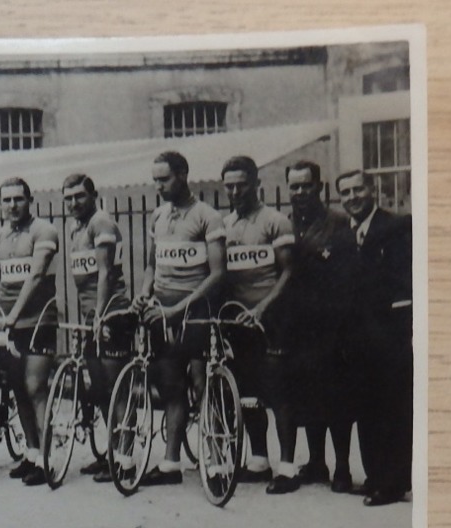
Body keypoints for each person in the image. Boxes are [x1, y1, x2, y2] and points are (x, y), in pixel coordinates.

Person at [130, 151, 226, 488]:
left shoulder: (207, 217)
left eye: (165, 179)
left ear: (183, 174)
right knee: (170, 386)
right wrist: (145, 292)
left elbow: (217, 275)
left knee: (203, 386)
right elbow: (151, 266)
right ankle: (171, 464)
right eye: (155, 179)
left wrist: (179, 308)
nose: (159, 185)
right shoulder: (158, 215)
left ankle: (214, 463)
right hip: (162, 314)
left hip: (195, 314)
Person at [218, 155, 298, 493]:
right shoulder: (226, 224)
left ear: (256, 185)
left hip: (273, 317)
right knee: (247, 392)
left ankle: (288, 467)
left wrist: (264, 307)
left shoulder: (275, 221)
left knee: (277, 392)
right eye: (230, 186)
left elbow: (290, 272)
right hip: (239, 320)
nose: (235, 191)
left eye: (242, 185)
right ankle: (259, 459)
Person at [279, 160, 359, 494]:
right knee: (305, 394)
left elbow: (349, 277)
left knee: (336, 398)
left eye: (306, 186)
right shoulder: (285, 224)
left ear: (319, 188)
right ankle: (316, 462)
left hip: (331, 324)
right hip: (297, 326)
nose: (300, 192)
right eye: (294, 186)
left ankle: (341, 467)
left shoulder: (338, 223)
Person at [336, 168, 414, 507]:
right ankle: (374, 476)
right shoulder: (345, 234)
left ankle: (393, 483)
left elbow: (404, 283)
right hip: (357, 339)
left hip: (388, 335)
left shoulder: (396, 227)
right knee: (365, 408)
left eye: (358, 190)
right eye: (346, 193)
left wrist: (396, 329)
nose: (352, 198)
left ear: (372, 190)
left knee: (392, 410)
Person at [0, 177, 59, 486]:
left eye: (18, 199)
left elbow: (37, 274)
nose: (13, 205)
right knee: (17, 389)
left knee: (35, 388)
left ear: (30, 200)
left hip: (38, 321)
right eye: (6, 200)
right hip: (8, 325)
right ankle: (30, 453)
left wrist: (13, 317)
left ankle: (47, 459)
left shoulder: (44, 230)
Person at [61, 172, 129, 479]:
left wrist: (100, 316)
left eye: (79, 196)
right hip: (93, 317)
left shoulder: (101, 222)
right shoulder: (74, 227)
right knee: (100, 389)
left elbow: (105, 274)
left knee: (116, 389)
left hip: (112, 314)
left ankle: (125, 459)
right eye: (69, 198)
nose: (74, 202)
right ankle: (111, 454)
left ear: (93, 195)